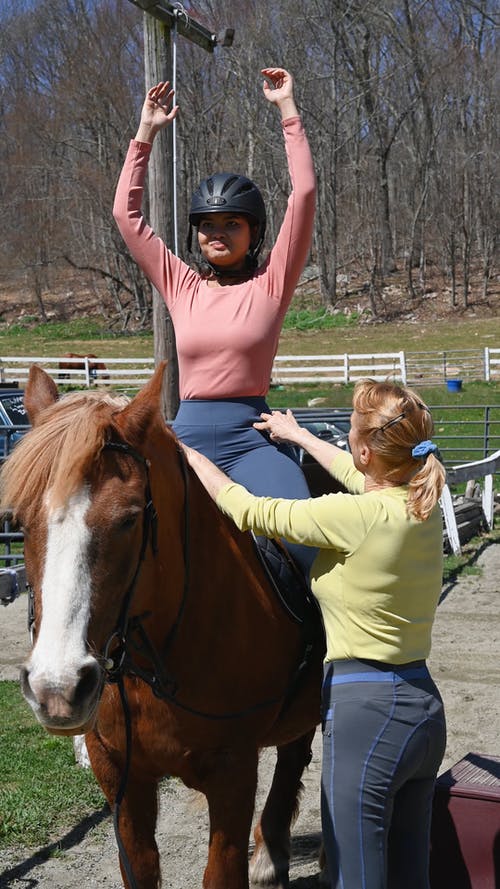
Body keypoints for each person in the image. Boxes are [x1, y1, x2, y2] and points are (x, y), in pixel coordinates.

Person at [181, 379, 447, 889]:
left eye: (350, 433)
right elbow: (359, 473)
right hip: (423, 710)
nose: (347, 443)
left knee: (354, 878)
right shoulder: (421, 499)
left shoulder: (354, 517)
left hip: (367, 716)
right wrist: (299, 437)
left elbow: (251, 510)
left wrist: (191, 456)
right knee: (411, 876)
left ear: (367, 451)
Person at [113, 67, 316, 576]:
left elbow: (305, 194)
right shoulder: (182, 285)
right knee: (114, 532)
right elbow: (126, 216)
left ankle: (326, 652)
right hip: (185, 438)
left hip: (252, 440)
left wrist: (287, 110)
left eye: (232, 224)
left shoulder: (271, 283)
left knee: (309, 540)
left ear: (254, 233)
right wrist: (146, 133)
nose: (217, 233)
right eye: (207, 225)